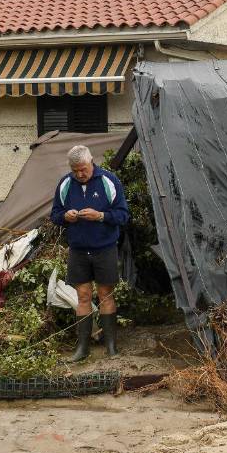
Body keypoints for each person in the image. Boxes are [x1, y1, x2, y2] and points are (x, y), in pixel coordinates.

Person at [51, 145, 129, 362]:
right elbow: (55, 214)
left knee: (106, 295)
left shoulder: (109, 181)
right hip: (78, 250)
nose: (79, 174)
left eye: (83, 169)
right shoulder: (65, 184)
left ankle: (111, 347)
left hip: (105, 248)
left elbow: (123, 215)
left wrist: (101, 216)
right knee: (83, 296)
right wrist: (65, 216)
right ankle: (82, 348)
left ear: (91, 162)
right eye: (75, 170)